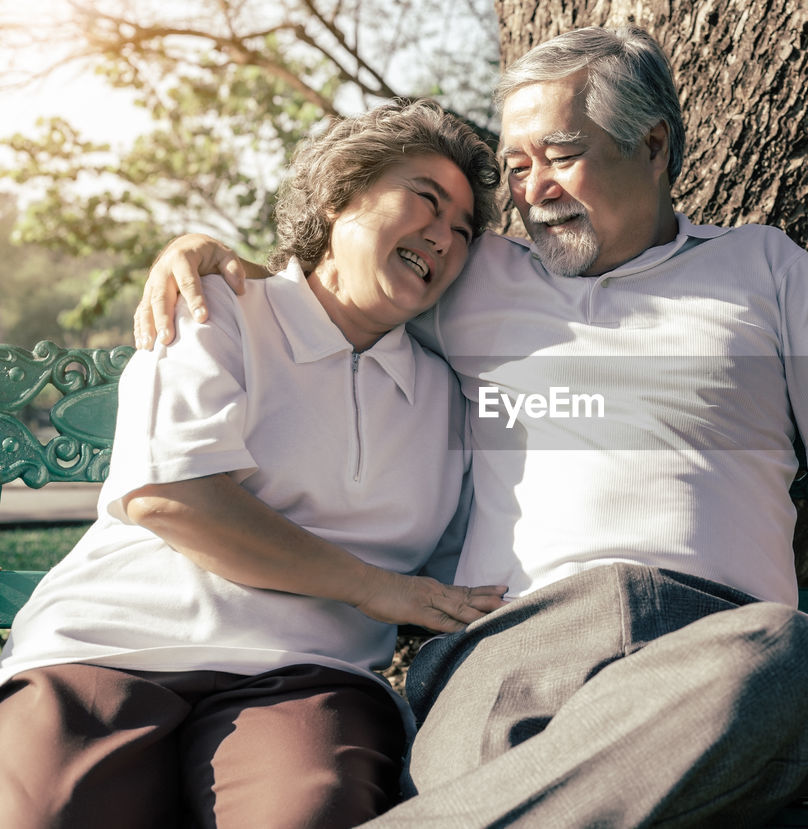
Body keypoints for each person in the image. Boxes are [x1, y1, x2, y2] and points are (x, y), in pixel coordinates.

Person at [136, 27, 808, 828]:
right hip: (514, 647)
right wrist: (214, 254)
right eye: (513, 168)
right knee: (498, 766)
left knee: (788, 658)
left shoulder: (763, 267)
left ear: (655, 145)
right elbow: (345, 281)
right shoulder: (473, 276)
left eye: (559, 154)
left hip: (718, 649)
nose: (531, 187)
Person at [0, 99, 510, 829]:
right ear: (339, 196)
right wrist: (374, 588)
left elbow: (468, 569)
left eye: (463, 231)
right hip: (105, 647)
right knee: (45, 813)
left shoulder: (448, 397)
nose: (445, 237)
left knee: (305, 813)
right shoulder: (218, 308)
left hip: (303, 679)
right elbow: (174, 497)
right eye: (425, 201)